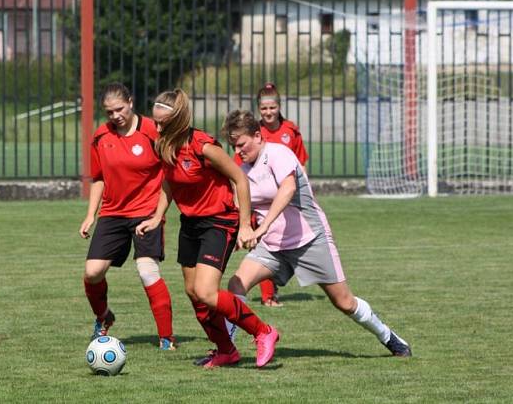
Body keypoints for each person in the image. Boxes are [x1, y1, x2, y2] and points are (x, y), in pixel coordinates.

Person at [222, 109, 413, 357]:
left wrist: (262, 227)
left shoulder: (278, 153)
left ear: (258, 136)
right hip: (273, 246)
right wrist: (240, 230)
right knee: (236, 285)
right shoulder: (242, 171)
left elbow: (287, 189)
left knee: (344, 302)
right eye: (233, 146)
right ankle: (227, 348)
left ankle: (388, 336)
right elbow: (239, 206)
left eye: (241, 144)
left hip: (309, 239)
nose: (237, 151)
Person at [136, 89, 280, 369]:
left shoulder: (203, 146)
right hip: (190, 223)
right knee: (193, 293)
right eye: (156, 122)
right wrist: (156, 217)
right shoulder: (164, 144)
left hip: (219, 221)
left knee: (206, 291)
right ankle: (226, 350)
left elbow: (240, 178)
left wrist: (244, 226)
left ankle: (264, 332)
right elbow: (169, 182)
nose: (158, 127)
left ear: (179, 119)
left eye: (163, 122)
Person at [79, 83, 177, 350]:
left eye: (119, 109)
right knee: (92, 272)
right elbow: (98, 178)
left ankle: (166, 338)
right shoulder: (101, 136)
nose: (115, 116)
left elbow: (170, 172)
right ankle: (103, 317)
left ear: (131, 102)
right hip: (112, 213)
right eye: (109, 112)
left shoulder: (151, 132)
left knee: (147, 271)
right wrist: (91, 215)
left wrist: (159, 214)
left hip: (146, 212)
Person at [253, 83, 308, 307]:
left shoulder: (290, 131)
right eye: (264, 108)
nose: (268, 112)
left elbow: (301, 162)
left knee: (291, 242)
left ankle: (277, 279)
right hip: (262, 198)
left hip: (287, 196)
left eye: (272, 108)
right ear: (259, 109)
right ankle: (268, 296)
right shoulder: (254, 132)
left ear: (279, 106)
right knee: (264, 241)